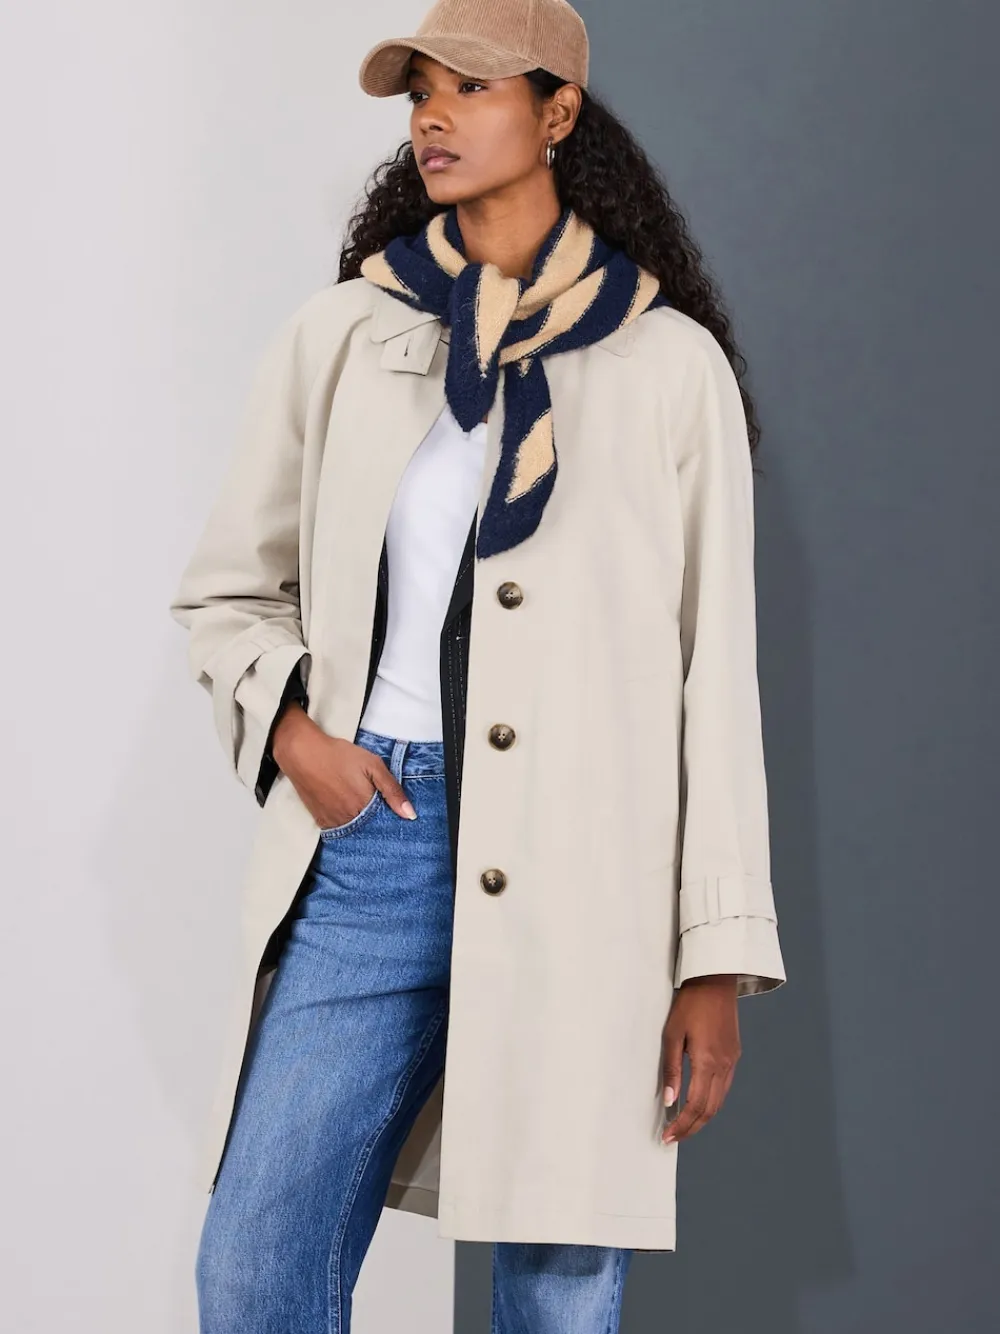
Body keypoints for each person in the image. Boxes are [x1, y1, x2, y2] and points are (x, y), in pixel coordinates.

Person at [169, 1, 787, 1330]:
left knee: (557, 1292)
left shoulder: (669, 368)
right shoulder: (346, 336)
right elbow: (228, 591)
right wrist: (300, 742)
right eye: (419, 95)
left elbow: (714, 680)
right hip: (373, 843)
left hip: (593, 864)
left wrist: (716, 958)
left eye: (473, 88)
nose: (434, 117)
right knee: (254, 1268)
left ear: (558, 112)